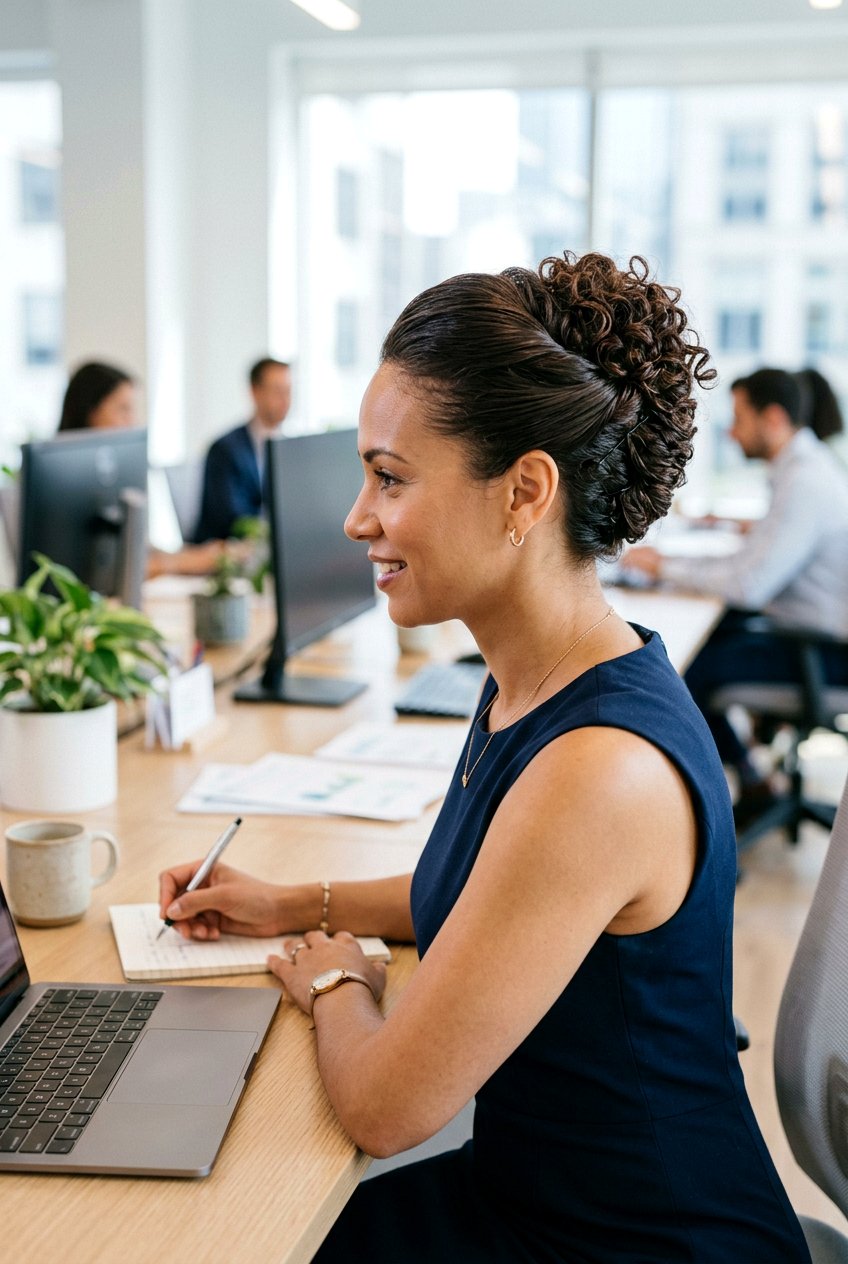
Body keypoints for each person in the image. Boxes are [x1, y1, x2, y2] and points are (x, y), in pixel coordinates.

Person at [159, 255, 810, 1262]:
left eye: (388, 477)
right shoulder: (538, 671)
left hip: (633, 1241)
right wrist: (294, 905)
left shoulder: (597, 769)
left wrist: (338, 984)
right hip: (543, 1194)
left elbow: (385, 1106)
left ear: (523, 493)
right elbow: (474, 897)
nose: (356, 517)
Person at [622, 366, 848, 822]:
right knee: (710, 640)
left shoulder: (805, 481)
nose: (731, 430)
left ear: (774, 419)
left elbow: (749, 583)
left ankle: (709, 811)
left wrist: (664, 566)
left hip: (825, 654)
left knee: (686, 674)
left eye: (740, 417)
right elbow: (751, 565)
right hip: (810, 633)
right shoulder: (801, 468)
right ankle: (750, 775)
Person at [57, 360, 229, 579]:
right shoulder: (65, 480)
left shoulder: (111, 474)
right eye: (123, 409)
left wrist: (195, 554)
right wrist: (186, 562)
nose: (133, 422)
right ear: (90, 410)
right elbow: (105, 567)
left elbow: (133, 548)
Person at [193, 357, 292, 542]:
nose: (285, 400)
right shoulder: (224, 449)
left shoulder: (289, 449)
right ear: (255, 392)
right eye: (278, 391)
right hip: (225, 553)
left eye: (288, 391)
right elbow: (232, 521)